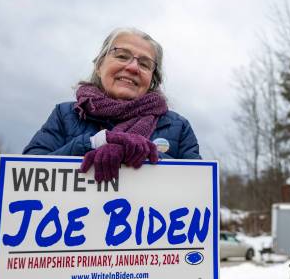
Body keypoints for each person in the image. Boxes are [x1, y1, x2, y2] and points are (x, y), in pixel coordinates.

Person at [24, 27, 201, 181]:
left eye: (145, 64)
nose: (133, 68)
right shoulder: (64, 115)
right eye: (122, 56)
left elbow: (198, 185)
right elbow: (26, 174)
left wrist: (146, 154)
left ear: (152, 80)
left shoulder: (179, 127)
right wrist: (92, 143)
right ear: (99, 66)